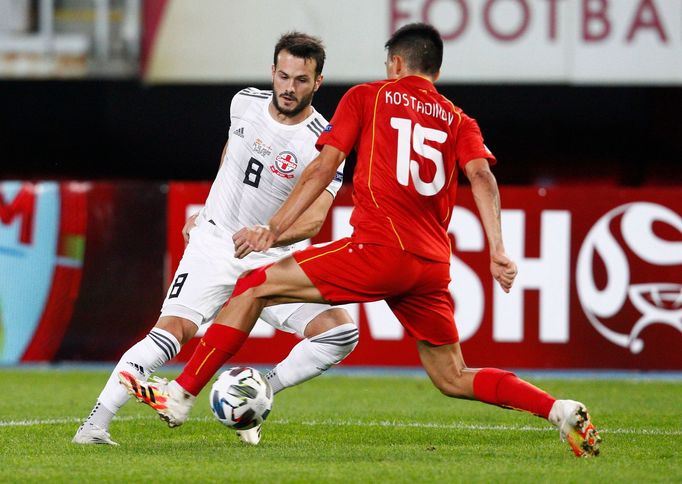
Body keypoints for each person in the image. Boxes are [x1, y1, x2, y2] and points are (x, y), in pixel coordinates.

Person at [121, 23, 601, 457]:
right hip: (430, 266)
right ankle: (557, 410)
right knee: (453, 376)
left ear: (395, 63)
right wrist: (498, 249)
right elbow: (482, 177)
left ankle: (180, 395)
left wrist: (275, 228)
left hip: (378, 248)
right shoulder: (460, 120)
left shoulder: (368, 96)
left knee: (253, 285)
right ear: (434, 68)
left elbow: (323, 166)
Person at [73, 32, 359, 447]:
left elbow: (314, 221)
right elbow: (231, 156)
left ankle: (259, 389)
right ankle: (95, 426)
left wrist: (270, 234)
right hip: (216, 243)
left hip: (274, 256)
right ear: (272, 73)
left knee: (340, 334)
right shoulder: (243, 103)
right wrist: (206, 211)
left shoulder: (324, 142)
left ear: (317, 82)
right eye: (283, 76)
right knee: (171, 331)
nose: (289, 87)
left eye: (301, 80)